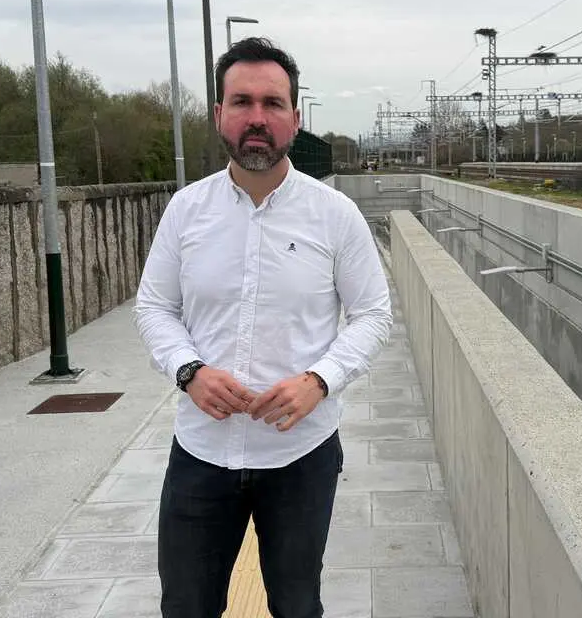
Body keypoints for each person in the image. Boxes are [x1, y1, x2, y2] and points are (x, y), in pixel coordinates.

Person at [132, 36, 393, 618]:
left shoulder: (335, 216)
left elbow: (374, 313)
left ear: (295, 119)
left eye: (273, 104)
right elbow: (153, 307)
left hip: (301, 452)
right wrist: (189, 371)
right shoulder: (186, 211)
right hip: (201, 451)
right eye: (242, 101)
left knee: (297, 607)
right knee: (186, 606)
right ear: (219, 113)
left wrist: (319, 380)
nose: (257, 118)